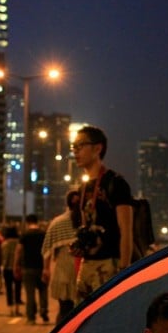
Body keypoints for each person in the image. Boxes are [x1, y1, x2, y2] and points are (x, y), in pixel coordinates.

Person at [70, 125, 134, 302]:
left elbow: (126, 229)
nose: (75, 152)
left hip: (110, 265)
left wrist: (124, 269)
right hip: (86, 264)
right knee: (82, 322)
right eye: (73, 147)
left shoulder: (115, 183)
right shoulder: (81, 188)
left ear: (98, 148)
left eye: (80, 146)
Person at [41, 190, 80, 323]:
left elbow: (47, 248)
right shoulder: (87, 221)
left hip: (63, 271)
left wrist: (46, 269)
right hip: (82, 268)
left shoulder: (57, 222)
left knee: (64, 310)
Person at [14, 213, 48, 324]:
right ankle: (43, 311)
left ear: (28, 222)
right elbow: (47, 251)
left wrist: (16, 265)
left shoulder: (24, 235)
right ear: (37, 221)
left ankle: (31, 317)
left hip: (28, 267)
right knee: (43, 290)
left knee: (30, 293)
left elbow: (18, 251)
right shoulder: (43, 234)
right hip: (41, 266)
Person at [0, 224, 22, 316]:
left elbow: (4, 257)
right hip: (18, 268)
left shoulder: (5, 244)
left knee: (9, 289)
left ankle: (11, 309)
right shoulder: (19, 243)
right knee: (18, 288)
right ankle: (17, 308)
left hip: (7, 268)